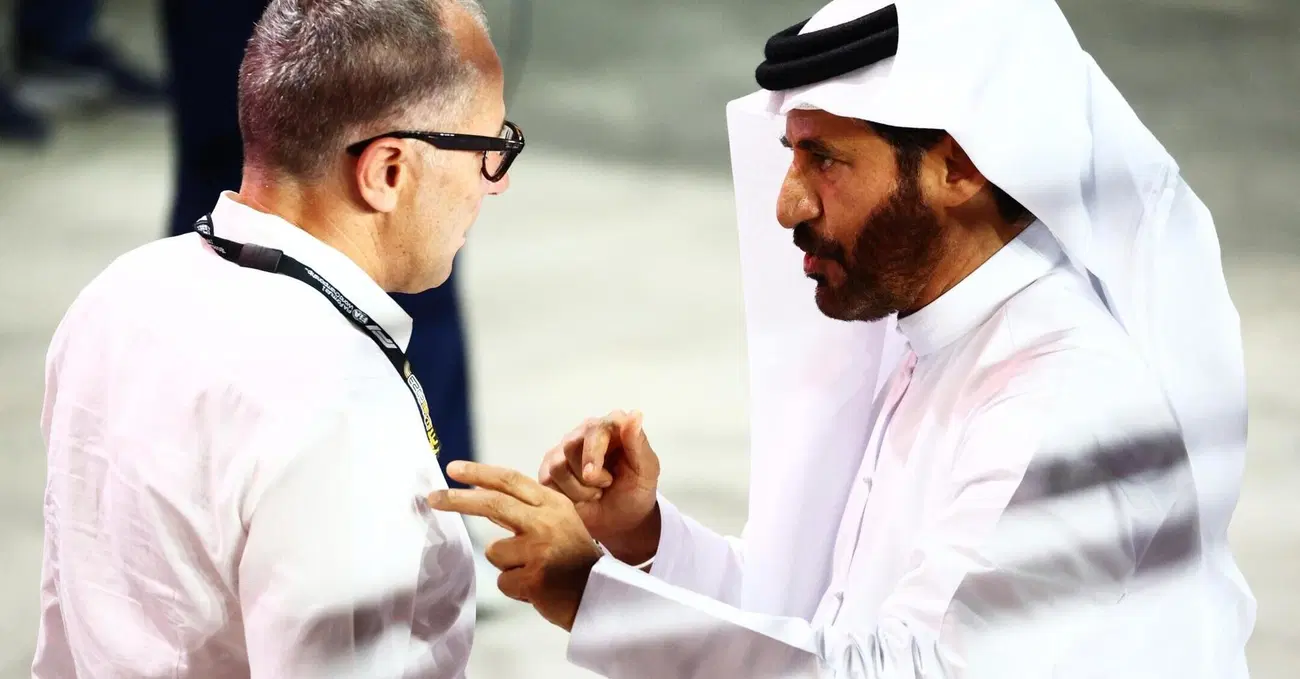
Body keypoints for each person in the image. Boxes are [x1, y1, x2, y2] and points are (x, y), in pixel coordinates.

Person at [428, 0, 1256, 677]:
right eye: (791, 156)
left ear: (959, 168)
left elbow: (907, 670)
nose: (787, 204)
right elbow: (820, 616)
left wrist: (594, 595)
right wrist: (642, 537)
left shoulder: (1070, 401)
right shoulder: (931, 340)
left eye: (824, 160)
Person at [33, 0, 520, 676]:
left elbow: (63, 621)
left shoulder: (115, 298)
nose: (496, 184)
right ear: (388, 171)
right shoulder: (342, 411)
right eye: (489, 150)